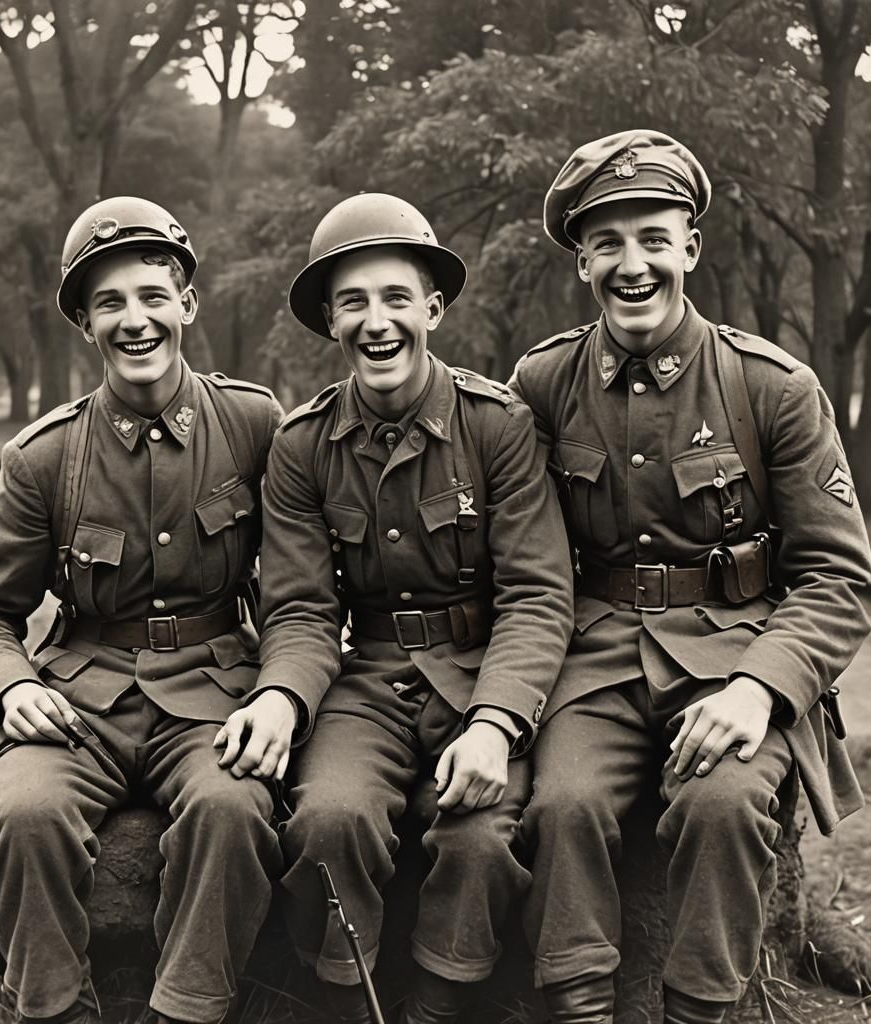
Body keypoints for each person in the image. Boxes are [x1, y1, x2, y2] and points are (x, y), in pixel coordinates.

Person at [508, 130, 871, 1023]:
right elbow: (515, 552)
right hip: (593, 662)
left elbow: (839, 576)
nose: (632, 265)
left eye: (653, 239)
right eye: (607, 244)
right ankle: (578, 1010)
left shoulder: (772, 386)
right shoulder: (543, 383)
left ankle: (699, 1012)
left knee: (724, 805)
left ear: (691, 247)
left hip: (734, 653)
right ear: (582, 262)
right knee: (561, 808)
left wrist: (760, 689)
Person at [0, 196, 290, 1024]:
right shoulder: (44, 455)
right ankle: (54, 1010)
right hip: (81, 701)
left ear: (187, 305)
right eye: (109, 304)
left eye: (152, 297)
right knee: (25, 815)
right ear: (84, 324)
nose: (135, 321)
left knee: (233, 810)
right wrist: (9, 687)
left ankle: (186, 1010)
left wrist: (280, 693)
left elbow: (298, 595)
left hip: (214, 693)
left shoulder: (253, 424)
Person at [231, 193, 572, 1024]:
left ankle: (437, 1007)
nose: (376, 322)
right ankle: (351, 1005)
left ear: (433, 309)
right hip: (369, 680)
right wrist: (281, 696)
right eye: (352, 303)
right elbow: (302, 610)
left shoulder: (497, 426)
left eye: (395, 298)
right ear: (330, 321)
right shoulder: (302, 444)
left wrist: (495, 724)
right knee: (328, 820)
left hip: (482, 673)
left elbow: (536, 594)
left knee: (480, 836)